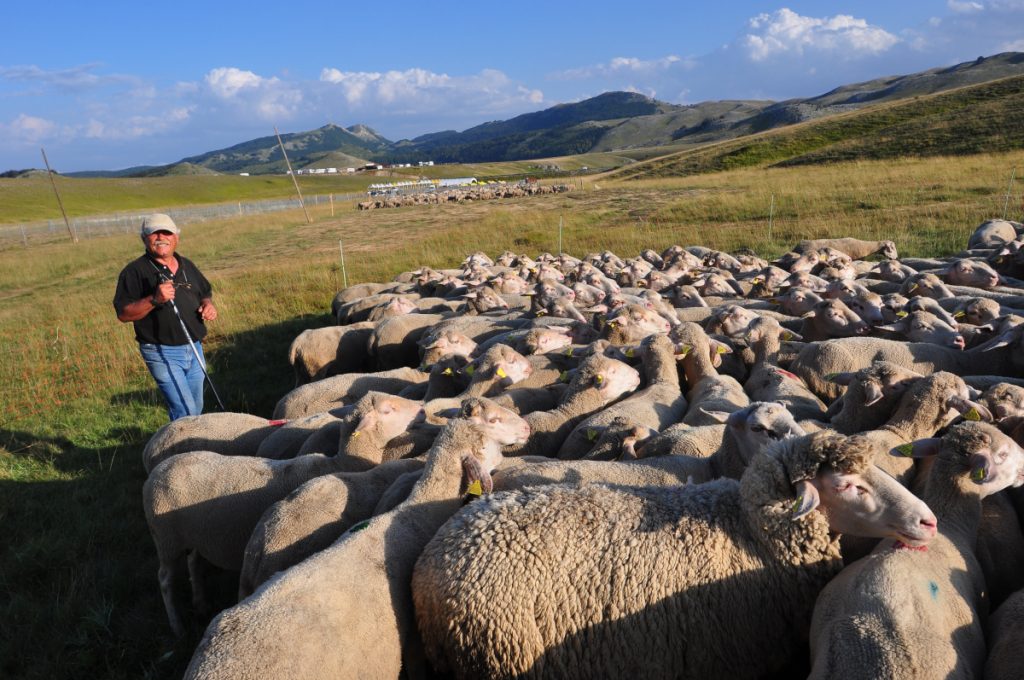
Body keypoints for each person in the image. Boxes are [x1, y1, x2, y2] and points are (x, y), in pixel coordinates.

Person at [113, 214, 217, 421]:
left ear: (176, 237)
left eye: (166, 232)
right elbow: (124, 314)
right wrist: (155, 299)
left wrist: (208, 305)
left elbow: (204, 291)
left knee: (196, 407)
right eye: (155, 233)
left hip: (194, 347)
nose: (161, 237)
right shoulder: (134, 272)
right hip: (162, 351)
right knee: (186, 411)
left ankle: (183, 438)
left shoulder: (186, 264)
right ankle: (181, 441)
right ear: (144, 238)